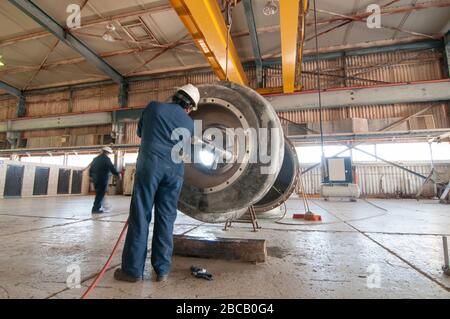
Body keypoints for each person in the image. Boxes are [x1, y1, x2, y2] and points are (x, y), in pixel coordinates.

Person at [114, 84, 199, 283]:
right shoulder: (189, 123)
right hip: (175, 172)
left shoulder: (154, 107)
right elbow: (186, 149)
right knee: (166, 219)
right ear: (189, 107)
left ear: (175, 96)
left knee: (141, 216)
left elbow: (141, 132)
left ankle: (132, 271)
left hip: (150, 167)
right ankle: (162, 270)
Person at [89, 146, 120, 214]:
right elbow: (112, 168)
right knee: (100, 194)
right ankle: (95, 209)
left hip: (95, 179)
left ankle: (98, 207)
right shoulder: (106, 159)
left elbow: (90, 169)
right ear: (107, 152)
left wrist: (91, 176)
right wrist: (117, 174)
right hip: (102, 179)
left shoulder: (95, 159)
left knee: (99, 194)